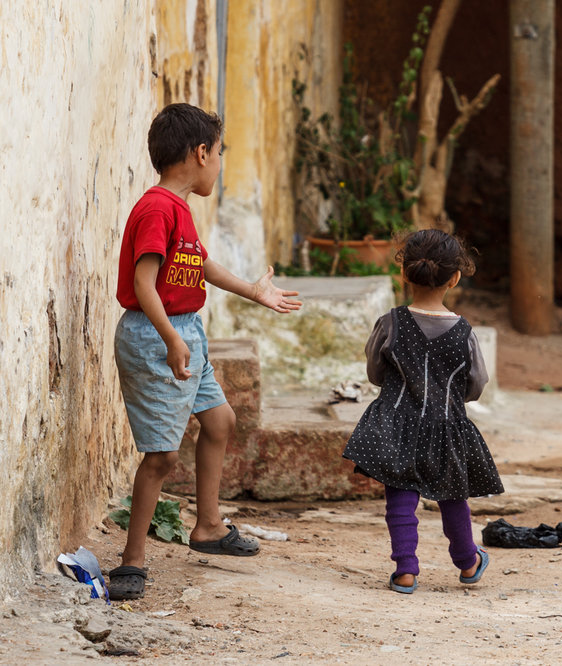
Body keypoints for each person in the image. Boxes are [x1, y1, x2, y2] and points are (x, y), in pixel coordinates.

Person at [108, 103, 302, 601]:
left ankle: (209, 527)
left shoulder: (177, 208)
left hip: (184, 331)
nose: (219, 162)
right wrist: (172, 340)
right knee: (162, 455)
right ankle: (132, 560)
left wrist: (253, 291)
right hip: (158, 337)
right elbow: (143, 283)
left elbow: (200, 266)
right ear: (200, 153)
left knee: (220, 422)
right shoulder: (156, 209)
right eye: (219, 153)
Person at [343, 229, 505, 594]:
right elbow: (477, 384)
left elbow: (374, 372)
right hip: (446, 425)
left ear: (404, 274)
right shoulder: (465, 332)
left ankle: (405, 570)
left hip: (395, 421)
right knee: (452, 497)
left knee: (400, 496)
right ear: (455, 277)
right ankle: (468, 562)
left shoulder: (391, 323)